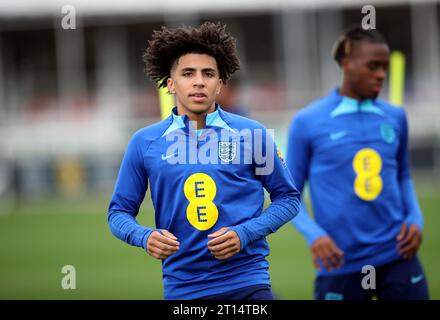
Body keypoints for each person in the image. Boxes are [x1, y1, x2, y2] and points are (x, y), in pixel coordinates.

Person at [108, 22, 300, 300]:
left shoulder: (252, 134)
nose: (199, 81)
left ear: (220, 84)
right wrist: (144, 237)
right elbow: (118, 213)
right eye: (188, 73)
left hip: (248, 283)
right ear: (170, 84)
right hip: (183, 290)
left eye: (208, 74)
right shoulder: (144, 142)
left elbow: (288, 198)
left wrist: (245, 233)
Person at [286, 26, 429, 300]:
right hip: (340, 263)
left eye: (385, 67)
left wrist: (415, 218)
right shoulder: (308, 121)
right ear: (346, 64)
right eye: (373, 66)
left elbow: (403, 176)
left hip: (398, 254)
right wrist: (314, 235)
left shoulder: (395, 116)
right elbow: (289, 195)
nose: (381, 75)